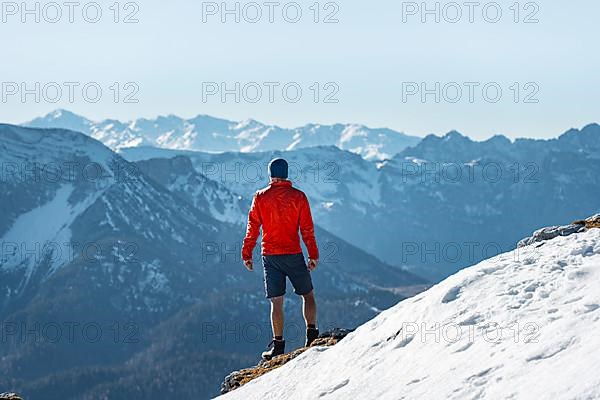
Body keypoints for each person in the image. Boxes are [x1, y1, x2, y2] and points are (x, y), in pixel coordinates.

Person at [241, 158, 320, 360]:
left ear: (270, 174)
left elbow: (253, 228)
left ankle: (278, 346)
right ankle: (311, 335)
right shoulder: (299, 197)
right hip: (293, 253)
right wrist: (313, 254)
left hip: (270, 256)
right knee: (308, 295)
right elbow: (307, 229)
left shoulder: (260, 197)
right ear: (286, 174)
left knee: (276, 303)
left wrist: (247, 253)